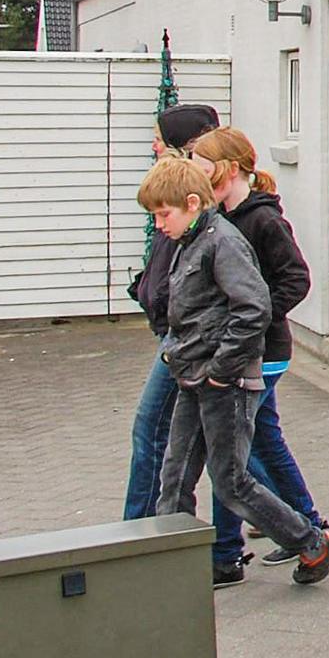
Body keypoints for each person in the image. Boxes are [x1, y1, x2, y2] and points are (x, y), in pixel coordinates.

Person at [141, 155, 329, 585]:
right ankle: (173, 567)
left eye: (163, 215)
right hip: (195, 376)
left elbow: (254, 308)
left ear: (192, 203)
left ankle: (312, 540)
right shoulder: (190, 241)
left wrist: (221, 369)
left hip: (225, 383)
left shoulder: (223, 242)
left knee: (231, 481)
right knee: (175, 475)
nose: (159, 225)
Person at [188, 127, 329, 586]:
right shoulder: (220, 218)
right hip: (243, 351)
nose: (198, 179)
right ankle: (309, 530)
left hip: (261, 353)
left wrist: (256, 318)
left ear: (229, 170)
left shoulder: (264, 221)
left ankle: (230, 552)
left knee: (232, 455)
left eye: (204, 169)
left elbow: (297, 279)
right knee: (259, 445)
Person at [124, 103, 220, 520]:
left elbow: (255, 294)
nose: (153, 147)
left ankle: (140, 529)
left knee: (153, 429)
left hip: (186, 339)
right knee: (231, 447)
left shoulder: (203, 218)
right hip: (179, 334)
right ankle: (302, 527)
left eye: (159, 140)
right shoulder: (176, 205)